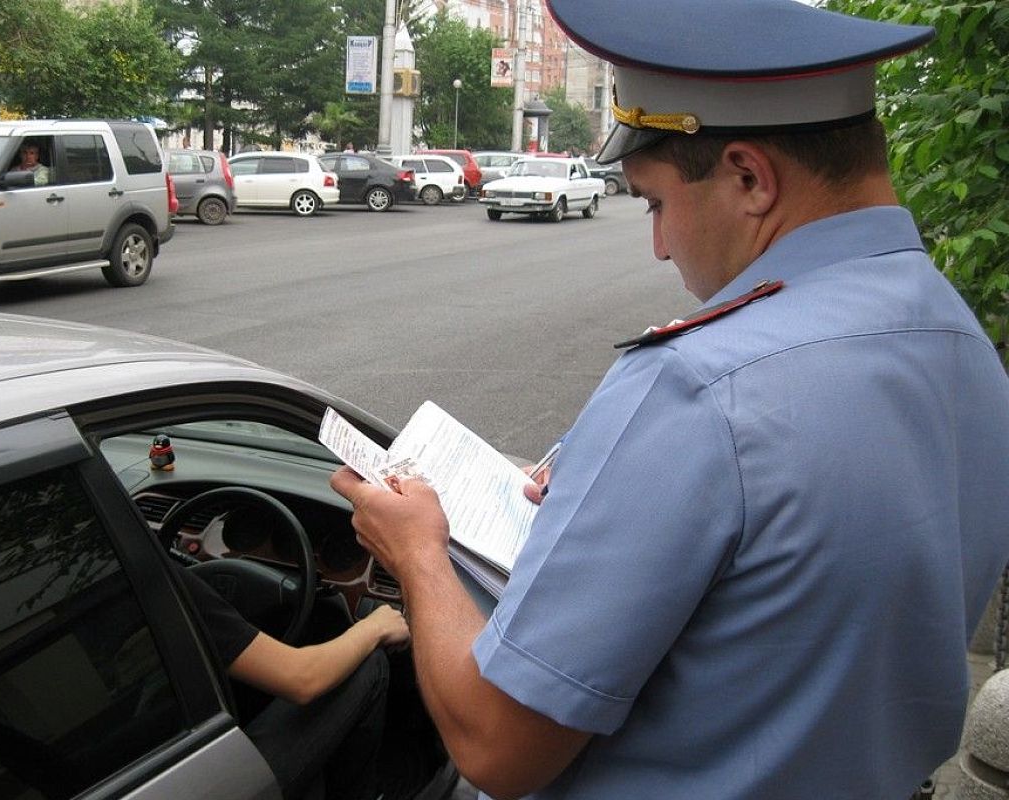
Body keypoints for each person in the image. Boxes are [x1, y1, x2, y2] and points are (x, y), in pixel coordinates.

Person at [329, 1, 1009, 798]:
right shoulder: (964, 343)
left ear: (751, 178)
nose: (657, 243)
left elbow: (496, 744)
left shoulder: (700, 384)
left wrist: (416, 552)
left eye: (654, 202)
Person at [176, 568, 408, 800]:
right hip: (212, 786)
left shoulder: (146, 565)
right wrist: (376, 626)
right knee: (370, 665)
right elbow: (301, 679)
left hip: (169, 752)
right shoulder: (159, 577)